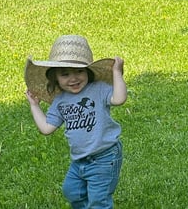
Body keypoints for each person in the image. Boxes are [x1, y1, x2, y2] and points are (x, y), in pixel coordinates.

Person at [25, 35, 127, 209]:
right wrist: (35, 106)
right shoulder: (60, 101)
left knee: (98, 199)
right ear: (55, 78)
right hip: (79, 160)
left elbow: (119, 99)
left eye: (79, 71)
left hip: (105, 156)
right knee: (71, 191)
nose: (73, 78)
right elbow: (46, 128)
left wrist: (117, 73)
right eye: (65, 74)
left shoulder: (98, 89)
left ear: (88, 71)